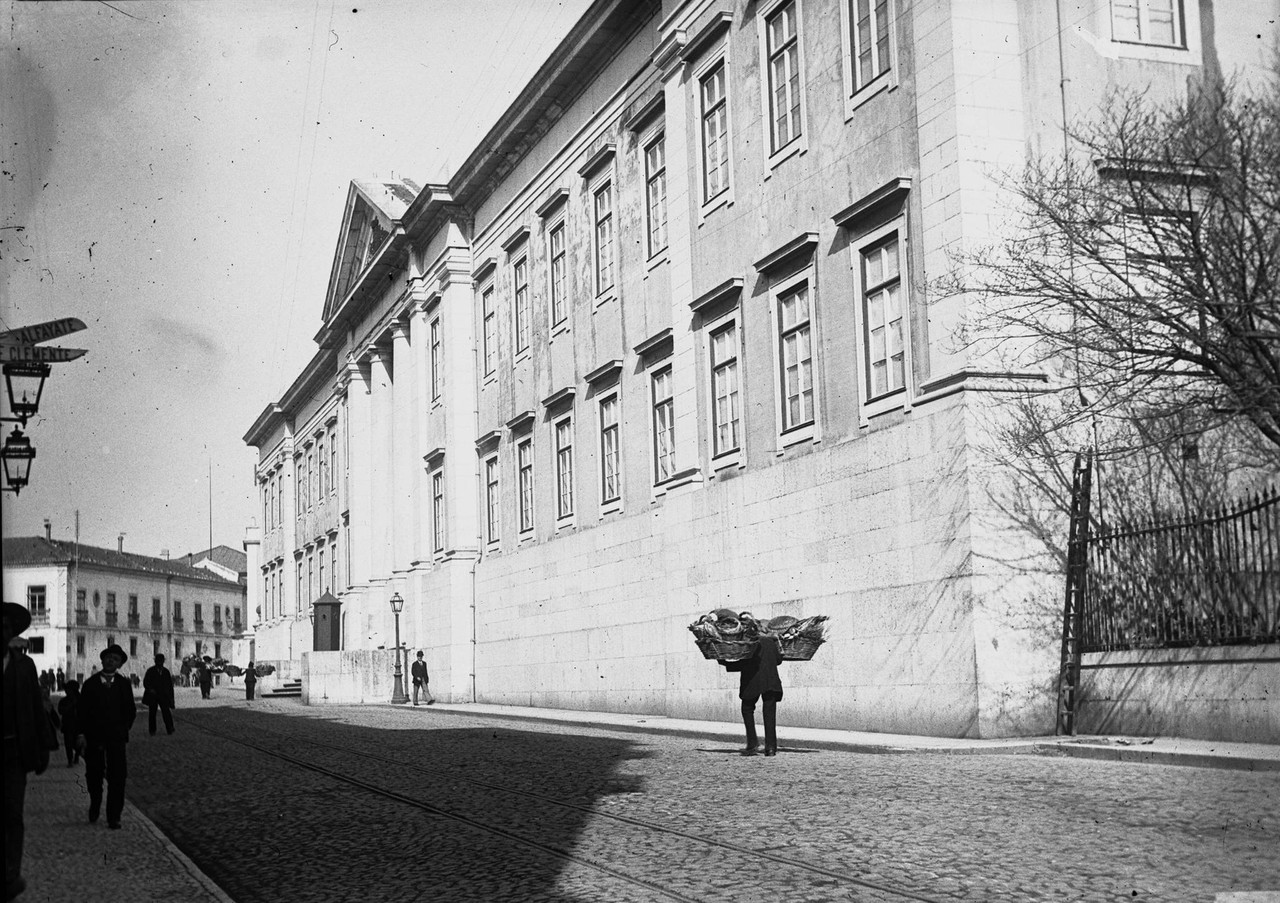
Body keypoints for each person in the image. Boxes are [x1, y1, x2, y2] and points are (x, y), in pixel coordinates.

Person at [4, 600, 56, 901]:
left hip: (13, 753)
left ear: (11, 632)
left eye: (5, 627)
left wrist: (44, 747)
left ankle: (10, 874)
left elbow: (36, 708)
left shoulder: (25, 667)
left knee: (13, 814)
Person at [76, 644, 137, 829]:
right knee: (94, 774)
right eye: (108, 657)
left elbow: (130, 711)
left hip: (116, 738)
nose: (111, 660)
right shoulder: (90, 684)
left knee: (117, 776)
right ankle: (95, 803)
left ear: (119, 665)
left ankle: (114, 816)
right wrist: (81, 733)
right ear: (102, 660)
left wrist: (123, 729)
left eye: (115, 659)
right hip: (94, 737)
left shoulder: (124, 685)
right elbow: (82, 711)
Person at [720, 634, 784, 757]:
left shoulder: (749, 642)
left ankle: (752, 743)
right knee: (769, 713)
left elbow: (744, 664)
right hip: (771, 681)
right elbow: (778, 660)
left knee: (747, 709)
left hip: (753, 682)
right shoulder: (770, 642)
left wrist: (723, 662)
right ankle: (770, 748)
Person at [142, 653, 176, 736]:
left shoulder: (166, 672)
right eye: (158, 661)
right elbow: (146, 682)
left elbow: (170, 686)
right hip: (153, 696)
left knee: (166, 712)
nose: (160, 663)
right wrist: (150, 689)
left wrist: (171, 698)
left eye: (161, 661)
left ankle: (170, 728)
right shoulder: (150, 671)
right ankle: (152, 730)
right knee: (152, 713)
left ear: (163, 661)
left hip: (163, 696)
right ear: (155, 661)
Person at [58, 680, 82, 766]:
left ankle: (76, 757)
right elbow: (61, 711)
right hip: (68, 725)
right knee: (68, 743)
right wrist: (71, 705)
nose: (66, 691)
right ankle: (70, 760)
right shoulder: (64, 701)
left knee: (77, 743)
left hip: (78, 725)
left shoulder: (81, 700)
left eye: (68, 689)